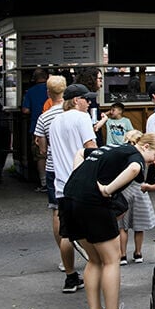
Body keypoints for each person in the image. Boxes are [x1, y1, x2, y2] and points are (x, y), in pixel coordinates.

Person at [61, 133, 155, 309]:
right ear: (144, 146)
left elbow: (81, 152)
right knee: (111, 260)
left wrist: (80, 177)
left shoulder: (111, 148)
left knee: (94, 260)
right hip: (94, 204)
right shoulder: (135, 157)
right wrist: (108, 190)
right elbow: (135, 169)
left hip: (71, 198)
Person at [49, 83, 99, 292]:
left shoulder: (55, 121)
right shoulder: (81, 118)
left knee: (67, 233)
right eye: (86, 99)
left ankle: (70, 276)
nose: (89, 102)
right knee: (93, 230)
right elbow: (91, 148)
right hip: (82, 182)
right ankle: (96, 269)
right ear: (76, 100)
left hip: (62, 183)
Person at [34, 76, 75, 276]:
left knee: (58, 212)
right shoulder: (75, 114)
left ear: (48, 93)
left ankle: (64, 257)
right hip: (75, 166)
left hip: (54, 167)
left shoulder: (45, 117)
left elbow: (42, 149)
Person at [115, 130, 155, 265]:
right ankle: (138, 253)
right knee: (139, 226)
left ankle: (122, 255)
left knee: (123, 226)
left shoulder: (122, 155)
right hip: (139, 190)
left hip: (124, 191)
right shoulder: (143, 158)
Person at [21, 68, 50, 188]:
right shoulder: (51, 90)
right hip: (53, 126)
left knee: (40, 155)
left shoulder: (30, 92)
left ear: (34, 78)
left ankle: (43, 182)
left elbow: (25, 110)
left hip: (36, 126)